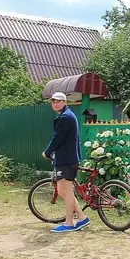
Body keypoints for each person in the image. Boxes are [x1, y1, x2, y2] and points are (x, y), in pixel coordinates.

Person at [42, 92, 89, 233]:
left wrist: (47, 152)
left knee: (66, 191)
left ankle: (69, 223)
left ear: (65, 102)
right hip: (66, 158)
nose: (55, 104)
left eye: (58, 101)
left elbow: (58, 138)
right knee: (63, 191)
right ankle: (81, 217)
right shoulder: (67, 115)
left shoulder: (65, 117)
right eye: (53, 102)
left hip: (66, 159)